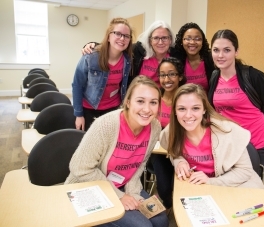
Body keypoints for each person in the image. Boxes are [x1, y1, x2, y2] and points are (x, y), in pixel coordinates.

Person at [65, 76, 169, 227]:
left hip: (124, 185)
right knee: (142, 226)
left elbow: (139, 165)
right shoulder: (106, 125)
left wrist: (132, 194)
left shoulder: (155, 127)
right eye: (140, 101)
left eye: (153, 102)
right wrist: (119, 196)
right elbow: (79, 167)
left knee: (161, 221)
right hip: (91, 187)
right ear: (128, 102)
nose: (147, 109)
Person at [160, 84, 264, 188]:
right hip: (199, 188)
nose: (188, 115)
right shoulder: (171, 132)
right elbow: (173, 152)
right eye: (182, 109)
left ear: (204, 109)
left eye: (195, 108)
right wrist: (179, 161)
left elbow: (244, 171)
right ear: (175, 111)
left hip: (234, 187)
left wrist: (211, 181)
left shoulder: (228, 131)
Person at [207, 29, 264, 172]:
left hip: (260, 142)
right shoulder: (215, 76)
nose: (220, 55)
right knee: (232, 184)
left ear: (236, 51)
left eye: (227, 50)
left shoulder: (253, 76)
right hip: (235, 144)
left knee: (248, 184)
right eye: (216, 50)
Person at [72, 18, 133, 131]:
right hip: (89, 109)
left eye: (126, 36)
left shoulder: (127, 60)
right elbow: (77, 85)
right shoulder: (90, 56)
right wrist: (79, 114)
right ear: (108, 36)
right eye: (118, 34)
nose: (122, 38)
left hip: (113, 110)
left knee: (109, 145)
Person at [82, 20, 175, 87]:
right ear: (150, 40)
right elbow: (117, 46)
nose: (160, 42)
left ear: (170, 39)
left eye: (165, 38)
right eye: (156, 38)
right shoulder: (138, 51)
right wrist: (94, 45)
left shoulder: (176, 55)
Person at [149, 57, 187, 210]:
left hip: (183, 151)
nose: (167, 79)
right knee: (165, 189)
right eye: (162, 75)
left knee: (182, 187)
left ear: (180, 76)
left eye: (171, 74)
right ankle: (169, 206)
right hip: (160, 152)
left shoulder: (186, 98)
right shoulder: (154, 99)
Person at [172, 22, 214, 92]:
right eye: (188, 39)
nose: (192, 42)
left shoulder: (211, 60)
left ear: (202, 42)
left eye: (197, 39)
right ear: (181, 41)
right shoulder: (177, 61)